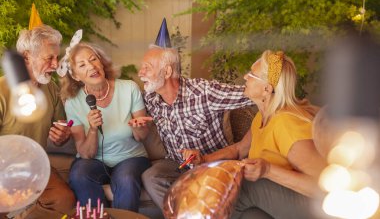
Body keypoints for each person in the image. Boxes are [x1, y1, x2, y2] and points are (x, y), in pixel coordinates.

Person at [182, 50, 327, 219]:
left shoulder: (287, 125)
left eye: (251, 74)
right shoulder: (262, 117)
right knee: (250, 215)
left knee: (243, 188)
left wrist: (268, 170)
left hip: (314, 209)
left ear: (267, 89)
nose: (245, 77)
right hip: (278, 203)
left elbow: (327, 186)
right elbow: (239, 149)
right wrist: (204, 160)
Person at [136, 44, 253, 210]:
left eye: (147, 68)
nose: (140, 73)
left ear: (167, 72)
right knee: (151, 177)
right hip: (176, 163)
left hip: (211, 164)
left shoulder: (204, 92)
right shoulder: (151, 99)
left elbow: (251, 95)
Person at [59, 41, 151, 211]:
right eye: (82, 64)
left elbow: (142, 136)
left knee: (126, 179)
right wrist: (93, 129)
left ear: (101, 63)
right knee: (79, 175)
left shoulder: (129, 88)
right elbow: (86, 153)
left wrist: (138, 127)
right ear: (76, 76)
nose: (91, 66)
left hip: (131, 157)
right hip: (94, 161)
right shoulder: (73, 103)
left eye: (93, 59)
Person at [0, 25, 75, 219]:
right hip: (2, 168)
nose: (55, 64)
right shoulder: (1, 91)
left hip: (34, 165)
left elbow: (61, 130)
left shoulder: (50, 88)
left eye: (56, 57)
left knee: (64, 200)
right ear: (26, 57)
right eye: (49, 58)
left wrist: (62, 136)